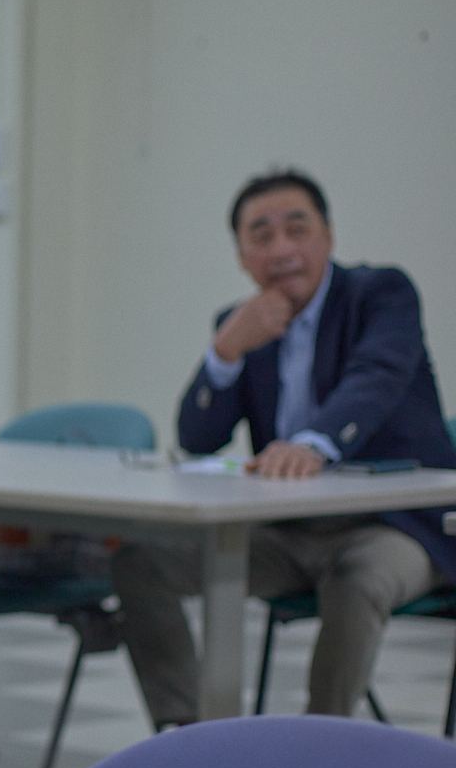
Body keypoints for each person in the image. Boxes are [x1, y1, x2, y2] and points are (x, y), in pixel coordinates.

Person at [115, 169, 456, 725]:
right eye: (261, 236)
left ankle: (320, 751)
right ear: (241, 255)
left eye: (297, 230)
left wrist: (312, 443)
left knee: (359, 577)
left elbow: (375, 377)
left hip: (395, 525)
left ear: (328, 236)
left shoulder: (381, 295)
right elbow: (197, 438)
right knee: (141, 561)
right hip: (289, 529)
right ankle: (185, 738)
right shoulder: (241, 322)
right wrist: (225, 351)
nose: (282, 249)